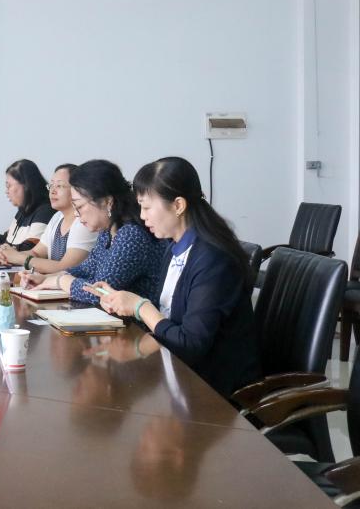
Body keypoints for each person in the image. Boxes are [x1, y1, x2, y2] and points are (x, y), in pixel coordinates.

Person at [86, 156, 261, 398]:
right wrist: (123, 304)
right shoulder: (174, 248)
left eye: (147, 207)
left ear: (178, 205)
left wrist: (139, 307)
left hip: (215, 392)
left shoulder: (213, 259)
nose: (142, 216)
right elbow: (171, 317)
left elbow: (189, 345)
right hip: (179, 376)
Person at [22, 159, 165, 305]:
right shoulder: (107, 231)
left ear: (107, 202)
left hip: (139, 320)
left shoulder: (132, 235)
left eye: (79, 206)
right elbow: (86, 269)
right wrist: (46, 279)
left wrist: (60, 281)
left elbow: (100, 292)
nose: (76, 214)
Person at [0, 163, 96, 274]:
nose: (52, 191)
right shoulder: (57, 217)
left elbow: (65, 268)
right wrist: (9, 256)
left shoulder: (83, 222)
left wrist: (18, 258)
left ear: (77, 190)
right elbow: (36, 253)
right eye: (51, 185)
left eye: (59, 186)